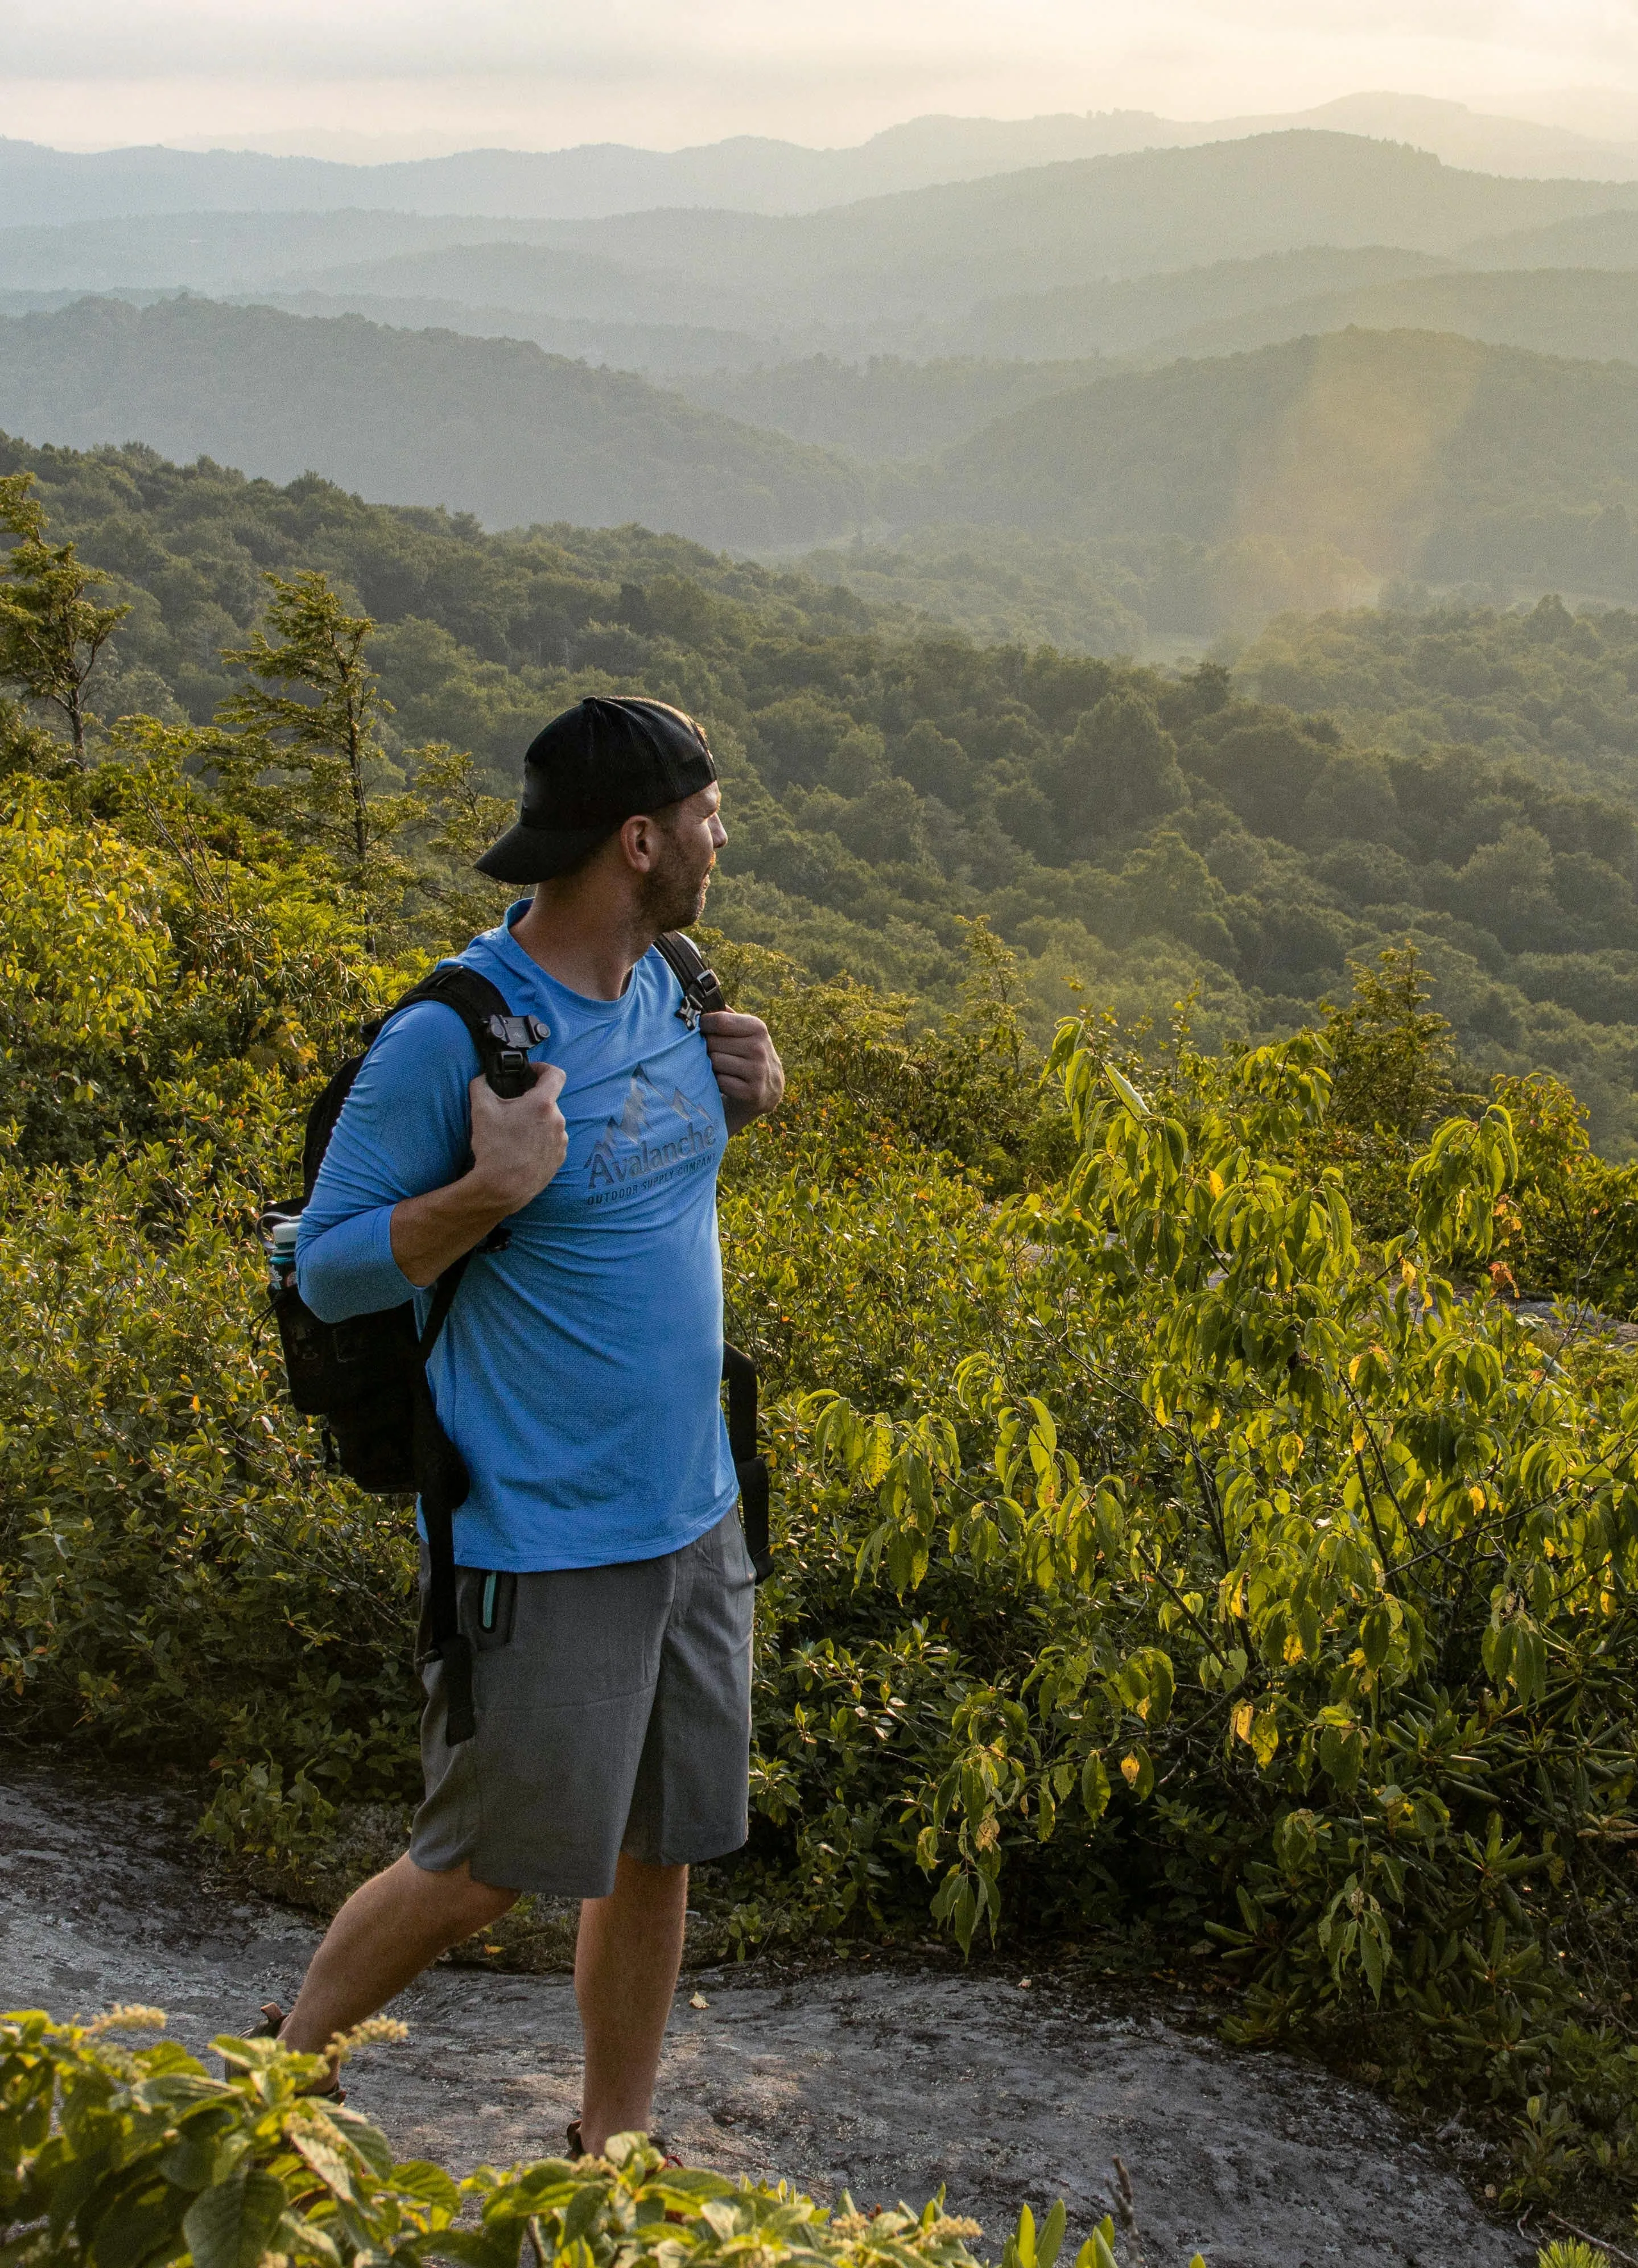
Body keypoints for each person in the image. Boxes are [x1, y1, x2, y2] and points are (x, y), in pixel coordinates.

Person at [261, 695, 785, 2155]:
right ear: (639, 837)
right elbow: (328, 1259)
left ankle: (610, 2146)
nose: (720, 834)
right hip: (540, 1531)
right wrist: (484, 1194)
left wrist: (752, 1095)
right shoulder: (456, 1035)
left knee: (658, 1847)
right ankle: (277, 2082)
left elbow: (646, 1179)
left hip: (693, 1508)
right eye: (706, 813)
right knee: (483, 1859)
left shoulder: (675, 981)